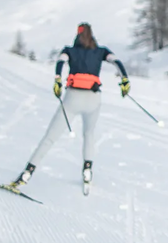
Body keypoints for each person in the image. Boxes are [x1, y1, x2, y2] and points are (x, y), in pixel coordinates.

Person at [11, 23, 131, 189]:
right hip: (94, 98)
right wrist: (124, 80)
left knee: (50, 137)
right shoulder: (102, 51)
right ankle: (87, 170)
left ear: (77, 34)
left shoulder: (69, 50)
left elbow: (60, 63)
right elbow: (116, 61)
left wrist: (58, 81)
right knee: (89, 134)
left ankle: (26, 173)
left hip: (72, 98)